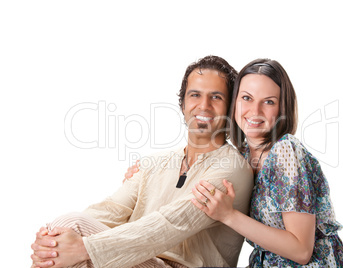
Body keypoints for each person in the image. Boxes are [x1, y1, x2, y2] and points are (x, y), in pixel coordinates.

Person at [30, 55, 254, 268]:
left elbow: (169, 225)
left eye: (216, 97)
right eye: (195, 95)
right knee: (62, 233)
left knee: (72, 228)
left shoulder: (232, 168)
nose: (203, 105)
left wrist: (85, 247)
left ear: (230, 108)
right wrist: (53, 238)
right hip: (141, 260)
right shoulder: (154, 164)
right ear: (183, 104)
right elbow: (111, 209)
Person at [190, 58, 343, 267]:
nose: (255, 111)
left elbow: (301, 250)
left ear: (283, 108)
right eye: (247, 98)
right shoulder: (243, 154)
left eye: (269, 102)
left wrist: (229, 215)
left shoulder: (285, 152)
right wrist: (140, 176)